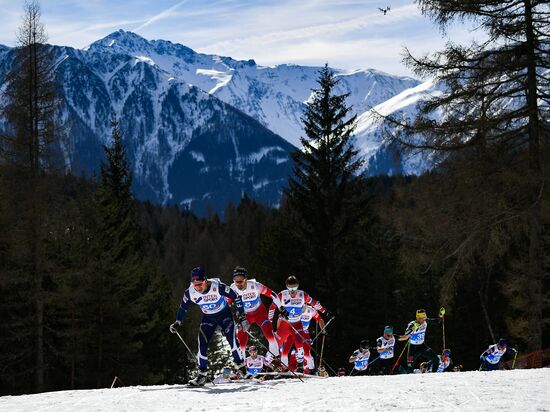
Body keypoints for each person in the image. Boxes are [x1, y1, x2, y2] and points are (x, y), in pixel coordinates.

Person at [169, 267, 246, 386]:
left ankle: (241, 368)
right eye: (195, 284)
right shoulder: (189, 292)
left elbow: (236, 296)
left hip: (224, 315)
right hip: (208, 318)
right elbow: (183, 308)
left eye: (200, 283)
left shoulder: (218, 287)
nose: (198, 287)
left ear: (206, 280)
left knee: (232, 341)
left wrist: (241, 315)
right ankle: (202, 375)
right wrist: (178, 322)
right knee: (202, 344)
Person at [230, 266, 288, 361]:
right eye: (236, 282)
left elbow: (273, 294)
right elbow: (226, 303)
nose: (238, 284)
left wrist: (281, 309)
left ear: (246, 279)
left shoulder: (255, 286)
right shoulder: (232, 288)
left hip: (259, 313)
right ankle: (242, 362)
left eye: (241, 281)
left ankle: (276, 357)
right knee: (241, 335)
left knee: (270, 335)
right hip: (246, 315)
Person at [268, 275, 327, 368]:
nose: (292, 290)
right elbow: (272, 307)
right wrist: (269, 321)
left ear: (298, 286)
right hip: (285, 324)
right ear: (286, 287)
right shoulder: (282, 295)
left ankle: (301, 357)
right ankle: (268, 359)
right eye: (289, 288)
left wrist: (325, 311)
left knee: (299, 342)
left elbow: (314, 303)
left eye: (294, 287)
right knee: (276, 344)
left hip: (297, 323)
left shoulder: (303, 295)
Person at [300, 304, 326, 374]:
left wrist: (323, 330)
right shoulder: (296, 308)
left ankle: (311, 369)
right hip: (295, 332)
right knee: (297, 352)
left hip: (305, 332)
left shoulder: (311, 310)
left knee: (306, 353)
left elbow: (320, 320)